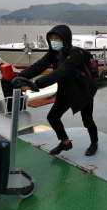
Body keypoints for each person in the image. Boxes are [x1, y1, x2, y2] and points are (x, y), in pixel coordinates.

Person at [18, 25, 99, 156]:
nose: (54, 41)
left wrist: (35, 84)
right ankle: (65, 143)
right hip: (65, 90)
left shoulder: (73, 54)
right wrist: (19, 77)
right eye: (51, 38)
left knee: (87, 120)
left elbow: (61, 72)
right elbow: (38, 66)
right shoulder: (54, 53)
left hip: (83, 91)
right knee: (53, 117)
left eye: (57, 38)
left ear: (65, 39)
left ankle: (94, 143)